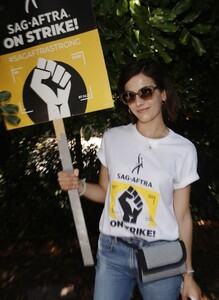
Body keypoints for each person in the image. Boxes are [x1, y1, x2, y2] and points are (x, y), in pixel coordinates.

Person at [58, 59, 202, 300]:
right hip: (113, 251)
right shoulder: (113, 138)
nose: (138, 102)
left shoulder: (183, 149)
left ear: (163, 94)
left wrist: (188, 274)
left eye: (146, 92)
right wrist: (79, 186)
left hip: (161, 254)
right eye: (130, 96)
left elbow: (183, 216)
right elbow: (106, 192)